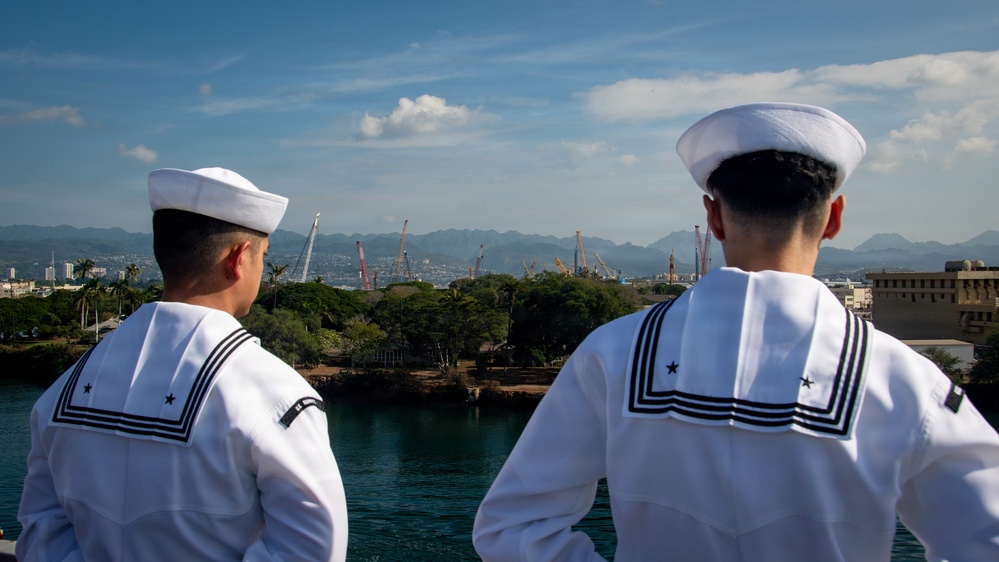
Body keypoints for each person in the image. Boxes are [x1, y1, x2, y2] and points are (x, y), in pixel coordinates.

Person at [472, 103, 999, 561]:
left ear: (713, 216)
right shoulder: (904, 377)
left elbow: (512, 526)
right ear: (834, 216)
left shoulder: (612, 353)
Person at [17, 167, 349, 561]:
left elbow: (40, 531)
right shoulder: (277, 396)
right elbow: (311, 552)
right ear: (238, 258)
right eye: (263, 256)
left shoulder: (64, 389)